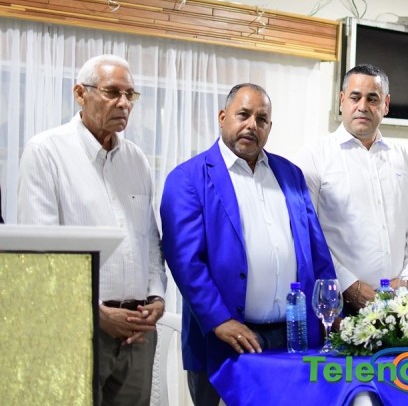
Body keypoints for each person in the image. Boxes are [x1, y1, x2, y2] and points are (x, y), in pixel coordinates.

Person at [160, 83, 336, 405]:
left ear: (269, 127)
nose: (252, 125)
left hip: (294, 337)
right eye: (243, 115)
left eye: (262, 119)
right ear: (222, 116)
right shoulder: (187, 178)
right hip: (226, 340)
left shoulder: (291, 174)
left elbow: (316, 249)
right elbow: (185, 261)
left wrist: (330, 310)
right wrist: (219, 320)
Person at [17, 55, 166, 406]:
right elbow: (42, 255)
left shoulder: (136, 160)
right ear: (80, 94)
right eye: (112, 92)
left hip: (138, 334)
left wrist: (156, 297)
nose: (124, 103)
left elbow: (148, 240)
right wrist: (96, 314)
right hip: (78, 329)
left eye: (130, 94)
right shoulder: (46, 152)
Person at [295, 64, 408, 311]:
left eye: (373, 99)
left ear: (385, 104)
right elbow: (306, 232)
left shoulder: (404, 157)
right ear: (342, 101)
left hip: (399, 303)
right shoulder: (314, 156)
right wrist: (349, 286)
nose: (363, 106)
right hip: (338, 304)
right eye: (355, 97)